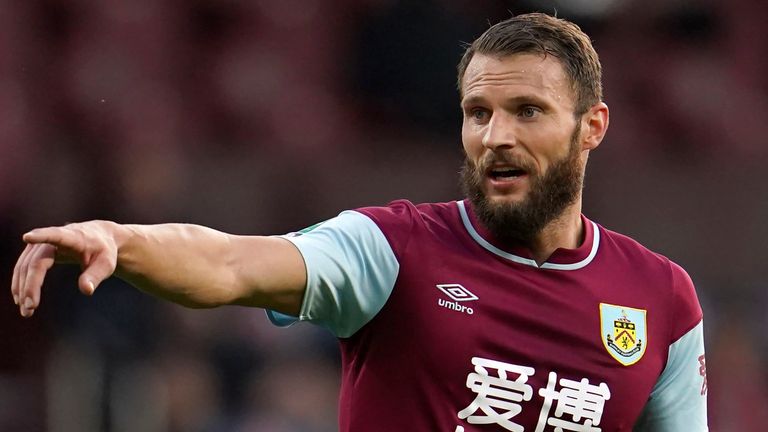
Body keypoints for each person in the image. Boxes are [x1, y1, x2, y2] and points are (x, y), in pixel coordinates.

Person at [11, 13, 707, 431]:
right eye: (478, 113)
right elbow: (227, 264)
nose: (495, 135)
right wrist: (122, 241)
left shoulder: (661, 299)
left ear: (592, 128)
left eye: (528, 111)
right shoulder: (392, 248)